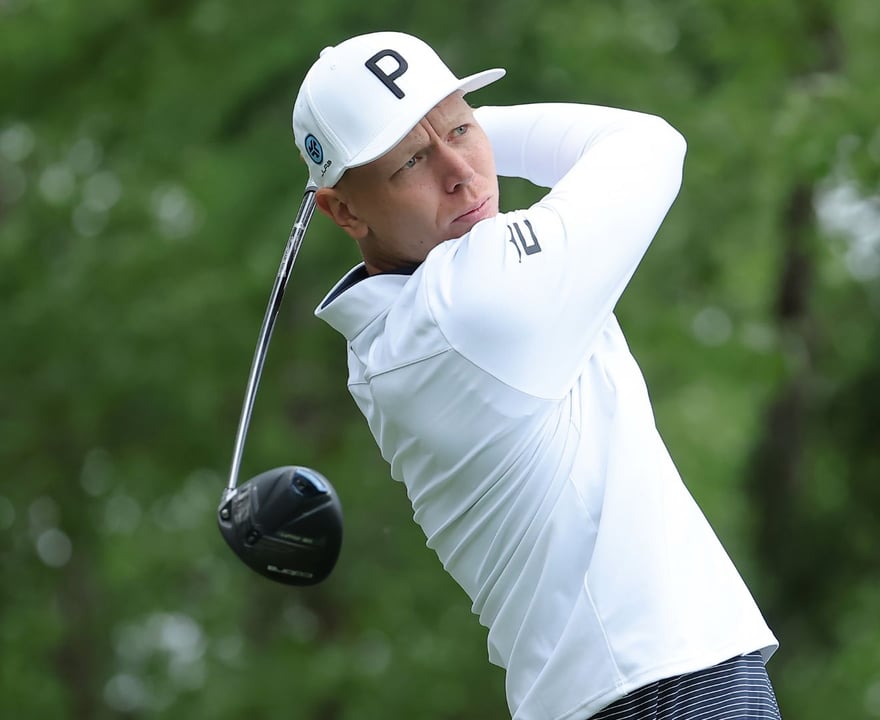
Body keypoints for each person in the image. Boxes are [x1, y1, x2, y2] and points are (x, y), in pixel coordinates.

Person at [292, 31, 781, 720]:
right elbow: (649, 144)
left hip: (624, 688)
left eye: (464, 127)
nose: (461, 173)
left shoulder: (390, 336)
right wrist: (471, 125)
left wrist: (429, 132)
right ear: (343, 210)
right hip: (658, 686)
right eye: (411, 163)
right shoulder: (476, 303)